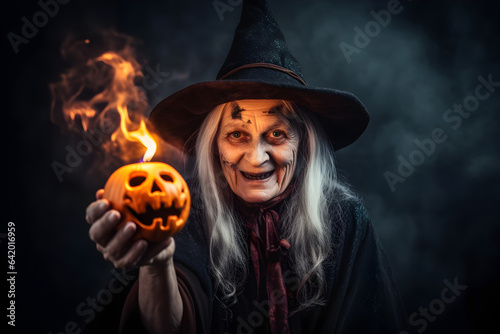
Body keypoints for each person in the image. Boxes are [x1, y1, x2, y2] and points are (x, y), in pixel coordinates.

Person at [84, 0, 410, 333]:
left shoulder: (346, 219)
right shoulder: (178, 211)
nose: (256, 157)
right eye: (237, 134)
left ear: (303, 144)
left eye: (277, 134)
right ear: (215, 145)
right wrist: (157, 263)